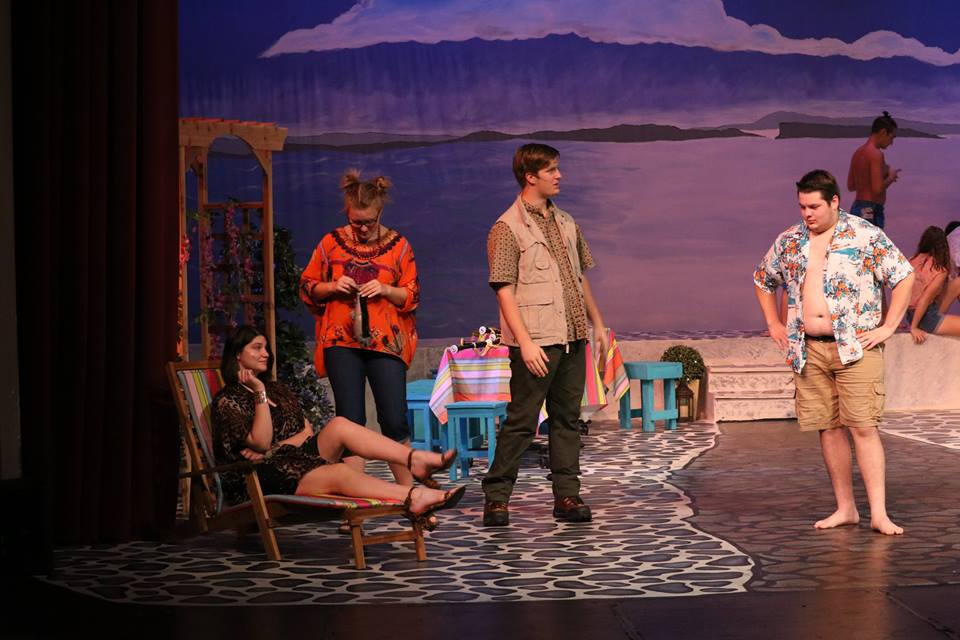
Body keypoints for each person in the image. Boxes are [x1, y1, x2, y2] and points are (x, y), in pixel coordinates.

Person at [753, 169, 914, 536]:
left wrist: (890, 325)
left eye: (814, 206)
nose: (807, 213)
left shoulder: (864, 234)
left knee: (863, 426)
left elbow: (904, 275)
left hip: (855, 347)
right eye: (802, 206)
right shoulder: (790, 239)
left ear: (835, 202)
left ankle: (879, 513)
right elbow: (763, 279)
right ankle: (846, 507)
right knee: (828, 427)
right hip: (809, 349)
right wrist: (774, 323)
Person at [211, 326, 463, 524]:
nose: (266, 353)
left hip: (289, 459)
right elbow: (262, 440)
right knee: (341, 472)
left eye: (266, 347)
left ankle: (415, 459)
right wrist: (259, 392)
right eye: (257, 348)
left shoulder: (277, 390)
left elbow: (305, 431)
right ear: (237, 354)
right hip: (257, 478)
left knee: (340, 425)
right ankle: (413, 496)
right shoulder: (228, 400)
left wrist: (274, 448)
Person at [481, 143, 608, 527]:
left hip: (572, 336)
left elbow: (579, 277)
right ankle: (497, 497)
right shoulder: (507, 228)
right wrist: (525, 342)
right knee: (522, 420)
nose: (559, 175)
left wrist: (598, 324)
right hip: (537, 339)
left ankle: (567, 495)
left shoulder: (566, 222)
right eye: (551, 169)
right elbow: (504, 290)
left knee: (567, 419)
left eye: (557, 168)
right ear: (530, 176)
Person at [300, 170, 420, 485]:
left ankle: (410, 494)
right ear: (347, 214)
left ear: (380, 213)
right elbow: (308, 286)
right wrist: (332, 286)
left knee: (393, 417)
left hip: (386, 342)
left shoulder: (399, 246)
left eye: (369, 222)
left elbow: (412, 295)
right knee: (350, 419)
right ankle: (356, 495)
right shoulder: (331, 243)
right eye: (356, 223)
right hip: (342, 341)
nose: (363, 229)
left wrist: (385, 289)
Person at [905, 226, 960, 343]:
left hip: (911, 314)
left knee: (958, 282)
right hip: (926, 318)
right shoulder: (939, 270)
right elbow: (924, 300)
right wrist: (913, 327)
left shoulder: (911, 260)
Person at [846, 111, 900, 229]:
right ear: (883, 132)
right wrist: (891, 177)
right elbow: (877, 189)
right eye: (891, 138)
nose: (891, 143)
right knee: (872, 241)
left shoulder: (858, 152)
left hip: (857, 208)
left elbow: (851, 186)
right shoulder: (876, 154)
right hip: (870, 210)